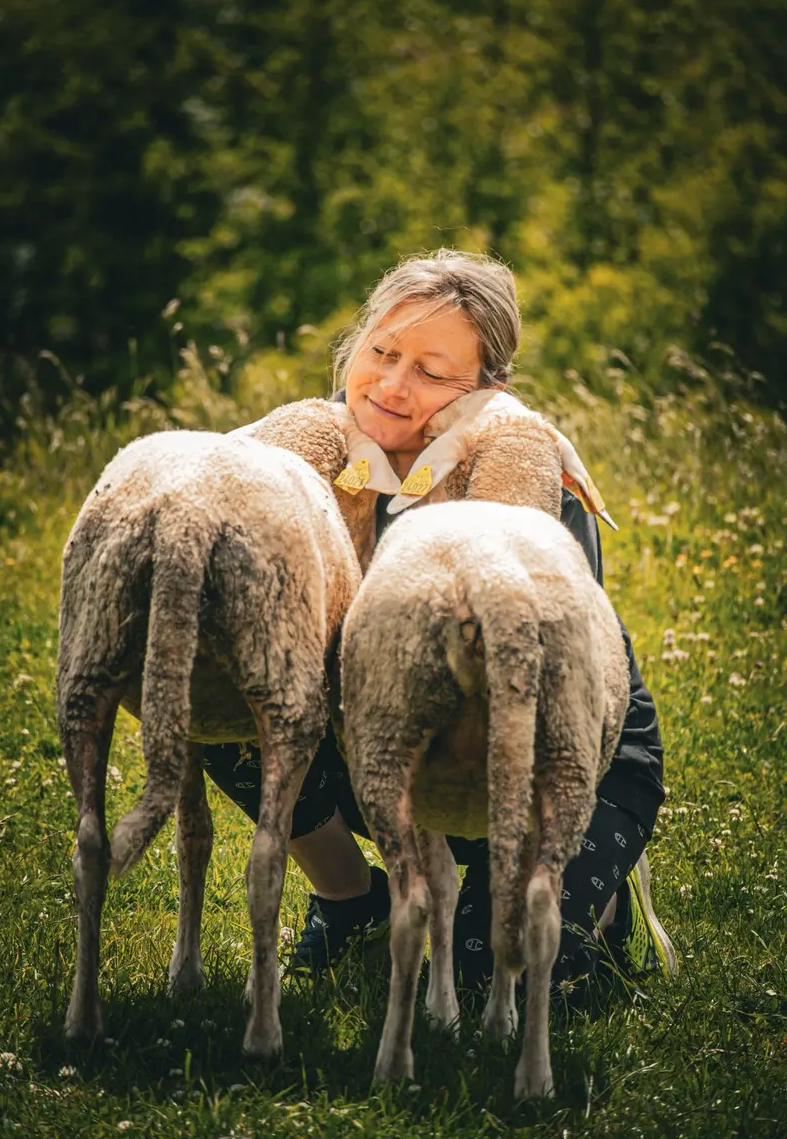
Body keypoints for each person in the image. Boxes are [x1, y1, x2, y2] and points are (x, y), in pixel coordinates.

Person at [203, 249, 677, 992]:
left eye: (431, 371)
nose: (392, 385)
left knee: (503, 973)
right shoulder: (309, 451)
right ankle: (349, 897)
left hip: (547, 753)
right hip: (385, 740)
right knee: (218, 679)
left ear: (487, 389)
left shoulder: (525, 479)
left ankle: (596, 911)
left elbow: (547, 690)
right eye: (382, 352)